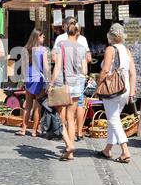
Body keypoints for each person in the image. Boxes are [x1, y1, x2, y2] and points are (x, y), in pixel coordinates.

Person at [95, 23, 136, 163]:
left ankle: (125, 150)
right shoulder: (127, 50)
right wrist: (133, 91)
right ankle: (108, 149)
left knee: (113, 119)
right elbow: (133, 73)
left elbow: (105, 70)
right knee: (115, 118)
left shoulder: (110, 49)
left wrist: (98, 85)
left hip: (113, 88)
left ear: (110, 36)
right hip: (125, 88)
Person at [49, 22, 87, 161]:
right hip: (77, 84)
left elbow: (58, 66)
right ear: (77, 33)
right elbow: (84, 70)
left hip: (64, 84)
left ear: (66, 31)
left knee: (60, 117)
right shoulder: (82, 47)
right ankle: (70, 152)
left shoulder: (61, 44)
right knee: (71, 118)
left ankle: (69, 145)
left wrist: (51, 83)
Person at [52, 17, 92, 142]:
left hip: (64, 80)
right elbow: (86, 66)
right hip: (78, 80)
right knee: (76, 109)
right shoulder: (82, 43)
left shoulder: (60, 41)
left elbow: (56, 62)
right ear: (78, 31)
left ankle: (66, 141)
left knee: (62, 109)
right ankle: (77, 135)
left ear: (66, 28)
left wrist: (51, 83)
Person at [16, 29, 50, 137]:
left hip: (29, 78)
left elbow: (24, 67)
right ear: (37, 37)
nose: (44, 38)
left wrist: (23, 80)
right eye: (42, 36)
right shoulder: (43, 50)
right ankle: (34, 130)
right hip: (39, 79)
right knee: (38, 105)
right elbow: (45, 66)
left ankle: (23, 129)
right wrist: (48, 80)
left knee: (28, 105)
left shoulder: (26, 49)